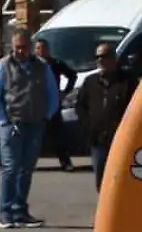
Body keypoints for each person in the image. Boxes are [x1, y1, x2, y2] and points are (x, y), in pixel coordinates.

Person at [0, 30, 61, 229]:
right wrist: (2, 119)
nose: (21, 51)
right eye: (17, 47)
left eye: (24, 47)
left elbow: (53, 93)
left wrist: (47, 115)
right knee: (10, 168)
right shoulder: (2, 67)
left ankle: (20, 210)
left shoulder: (42, 67)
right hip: (12, 124)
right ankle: (6, 211)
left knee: (26, 169)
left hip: (36, 124)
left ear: (30, 46)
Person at [76, 42, 136, 191]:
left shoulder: (127, 82)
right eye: (97, 57)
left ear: (113, 58)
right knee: (101, 179)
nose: (100, 60)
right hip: (98, 140)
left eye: (104, 56)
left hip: (120, 139)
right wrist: (89, 125)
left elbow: (134, 108)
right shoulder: (90, 82)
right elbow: (80, 106)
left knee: (120, 179)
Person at [34, 38, 79, 172]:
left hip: (53, 105)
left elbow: (72, 75)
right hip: (36, 106)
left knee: (58, 135)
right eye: (37, 48)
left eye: (43, 48)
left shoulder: (55, 64)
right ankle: (30, 162)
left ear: (48, 49)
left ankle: (65, 162)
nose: (40, 51)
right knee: (35, 136)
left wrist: (64, 92)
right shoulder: (31, 64)